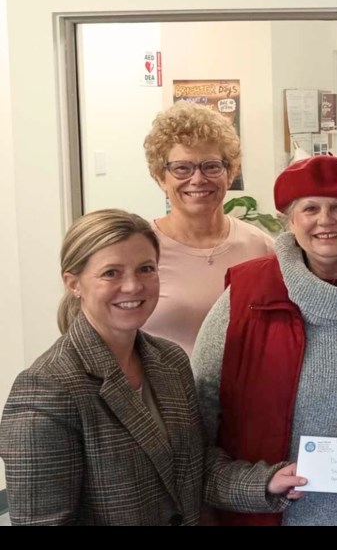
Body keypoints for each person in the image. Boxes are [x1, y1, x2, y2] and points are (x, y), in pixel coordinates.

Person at [0, 209, 304, 526]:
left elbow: (194, 471)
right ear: (73, 283)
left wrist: (268, 481)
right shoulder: (46, 389)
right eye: (111, 273)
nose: (133, 286)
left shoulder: (169, 361)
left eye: (146, 269)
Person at [193, 155, 337, 526]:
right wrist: (245, 487)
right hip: (262, 514)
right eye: (310, 208)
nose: (325, 220)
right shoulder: (246, 298)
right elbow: (200, 413)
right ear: (291, 220)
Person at [142, 101, 274, 356]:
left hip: (241, 393)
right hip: (162, 394)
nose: (198, 179)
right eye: (182, 168)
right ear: (161, 176)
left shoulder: (261, 247)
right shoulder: (142, 250)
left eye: (211, 166)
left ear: (230, 171)